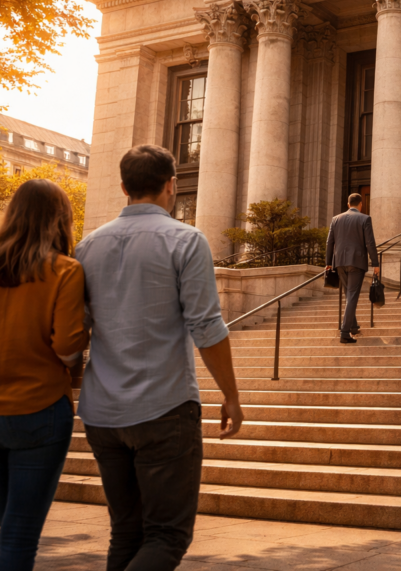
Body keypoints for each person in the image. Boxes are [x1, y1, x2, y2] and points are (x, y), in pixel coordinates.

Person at [76, 145, 244, 570]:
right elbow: (206, 327)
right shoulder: (185, 240)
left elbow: (77, 329)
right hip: (164, 408)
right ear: (172, 185)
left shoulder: (87, 247)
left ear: (122, 187)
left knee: (126, 533)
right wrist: (231, 395)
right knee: (167, 536)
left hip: (103, 412)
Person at [0, 179, 89, 569]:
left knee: (10, 526)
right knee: (19, 532)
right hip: (38, 410)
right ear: (61, 220)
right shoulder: (66, 270)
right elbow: (68, 348)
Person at [326, 193, 380, 343]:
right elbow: (370, 243)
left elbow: (329, 242)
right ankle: (344, 332)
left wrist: (328, 262)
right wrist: (375, 263)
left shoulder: (335, 219)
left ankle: (353, 325)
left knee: (348, 295)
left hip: (340, 262)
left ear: (348, 204)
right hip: (356, 262)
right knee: (352, 296)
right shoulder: (365, 218)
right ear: (361, 204)